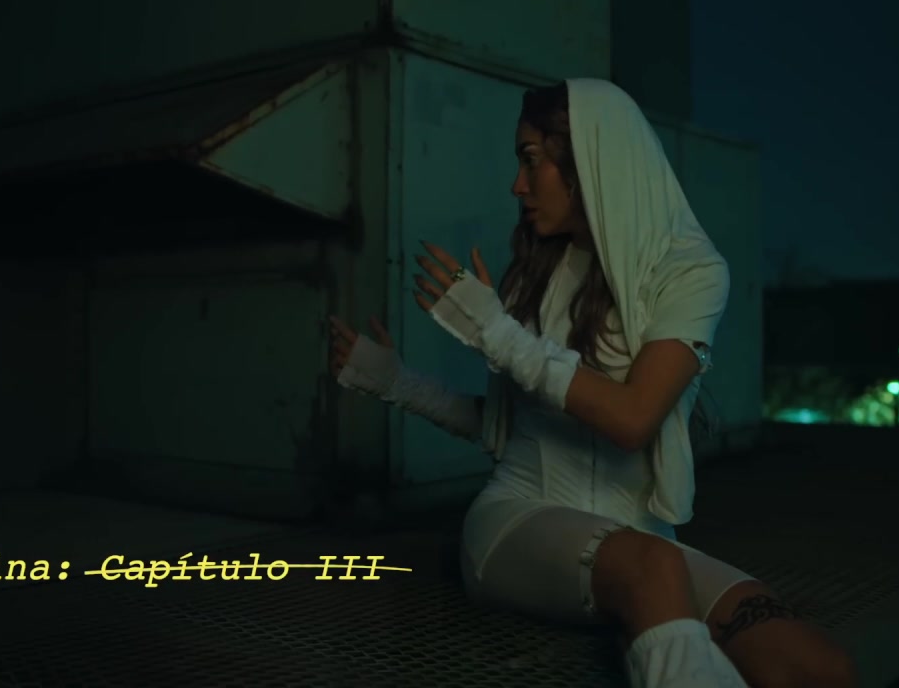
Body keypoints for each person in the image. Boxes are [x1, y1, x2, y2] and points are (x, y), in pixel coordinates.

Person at [329, 79, 856, 688]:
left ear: (589, 160)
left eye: (531, 160)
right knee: (654, 570)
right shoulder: (533, 275)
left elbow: (633, 419)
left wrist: (495, 333)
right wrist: (398, 382)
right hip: (519, 519)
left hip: (639, 542)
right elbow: (510, 429)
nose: (517, 185)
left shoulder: (690, 271)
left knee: (822, 669)